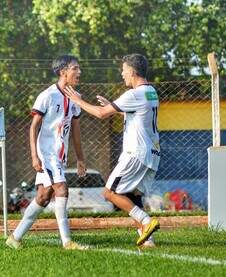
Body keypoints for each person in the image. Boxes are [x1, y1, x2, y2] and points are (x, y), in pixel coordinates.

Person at [64, 54, 160, 247]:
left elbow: (100, 114)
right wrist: (114, 106)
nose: (122, 74)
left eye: (124, 70)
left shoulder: (134, 94)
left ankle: (147, 221)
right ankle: (147, 240)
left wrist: (77, 101)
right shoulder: (151, 92)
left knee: (109, 193)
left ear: (132, 72)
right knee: (132, 196)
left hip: (136, 153)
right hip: (152, 154)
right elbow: (138, 113)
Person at [6, 55, 87, 250]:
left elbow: (75, 129)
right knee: (62, 188)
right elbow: (33, 127)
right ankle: (67, 242)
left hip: (60, 155)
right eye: (75, 68)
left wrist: (80, 158)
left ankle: (14, 238)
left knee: (43, 196)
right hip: (46, 154)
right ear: (63, 72)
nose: (79, 72)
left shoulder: (76, 98)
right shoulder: (47, 96)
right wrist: (35, 155)